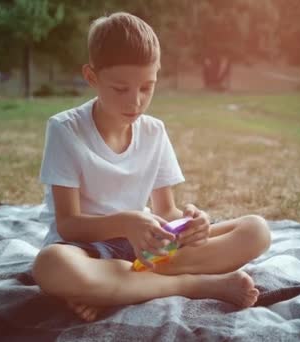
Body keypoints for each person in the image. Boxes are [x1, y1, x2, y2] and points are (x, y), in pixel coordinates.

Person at [32, 12, 272, 322]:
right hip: (85, 250)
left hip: (149, 251)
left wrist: (193, 223)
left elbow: (166, 211)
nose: (135, 102)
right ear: (92, 77)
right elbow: (68, 224)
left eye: (147, 87)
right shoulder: (65, 129)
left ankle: (110, 290)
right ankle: (193, 285)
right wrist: (126, 223)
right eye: (121, 89)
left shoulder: (154, 131)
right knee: (50, 266)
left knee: (256, 231)